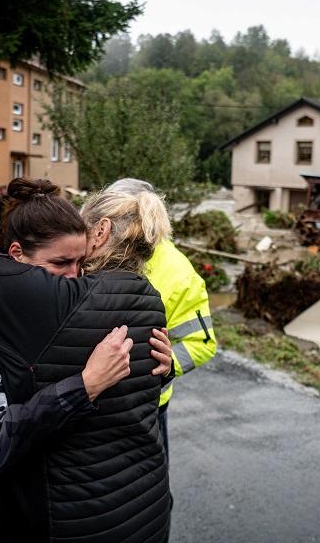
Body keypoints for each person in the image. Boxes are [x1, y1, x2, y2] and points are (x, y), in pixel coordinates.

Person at [0, 177, 172, 541]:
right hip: (144, 507)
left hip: (70, 515)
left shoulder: (58, 303)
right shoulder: (150, 299)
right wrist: (151, 375)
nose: (73, 274)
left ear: (101, 232)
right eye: (61, 261)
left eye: (78, 259)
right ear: (16, 258)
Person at [106, 178, 217, 458]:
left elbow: (202, 342)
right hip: (93, 399)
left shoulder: (180, 273)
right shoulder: (97, 250)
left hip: (147, 406)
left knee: (146, 486)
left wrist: (166, 365)